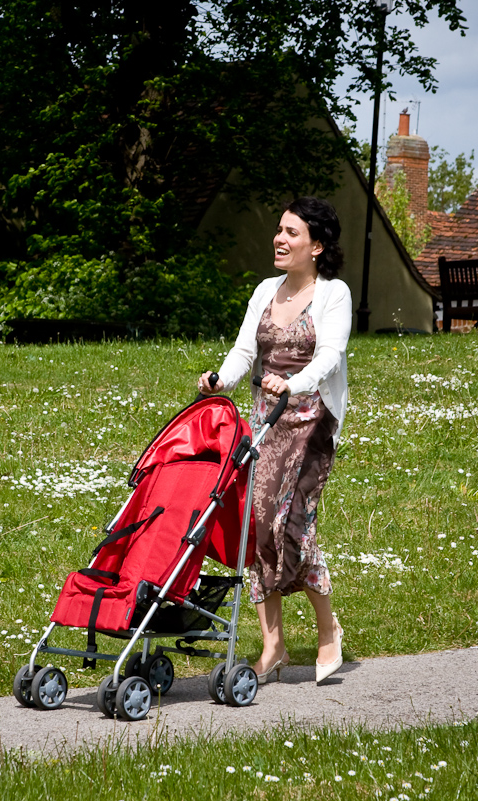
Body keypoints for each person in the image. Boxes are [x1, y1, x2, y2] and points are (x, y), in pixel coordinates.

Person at [197, 196, 352, 685]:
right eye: (279, 230)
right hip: (267, 421)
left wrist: (295, 383)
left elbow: (331, 355)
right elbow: (246, 350)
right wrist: (220, 379)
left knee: (294, 524)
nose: (280, 239)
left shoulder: (334, 294)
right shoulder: (266, 289)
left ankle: (328, 632)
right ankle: (274, 645)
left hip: (312, 422)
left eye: (292, 233)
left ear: (317, 246)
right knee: (258, 526)